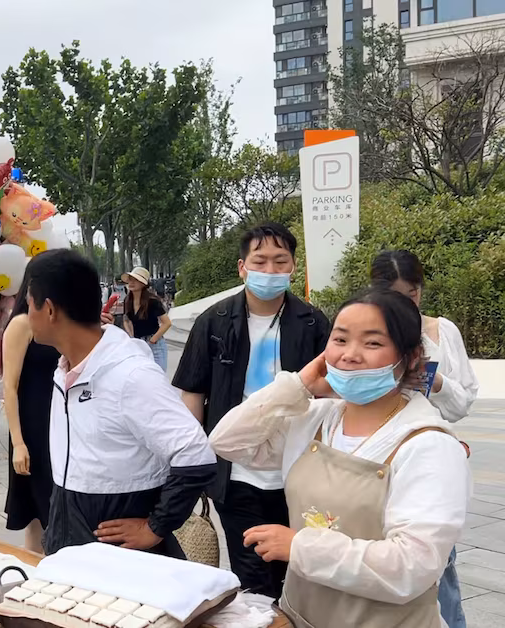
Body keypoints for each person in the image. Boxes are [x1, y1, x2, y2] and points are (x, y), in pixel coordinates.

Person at [209, 288, 469, 628]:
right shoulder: (316, 419)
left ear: (411, 356)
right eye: (340, 340)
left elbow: (412, 566)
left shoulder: (429, 444)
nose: (350, 355)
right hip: (301, 616)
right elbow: (227, 441)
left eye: (372, 343)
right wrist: (298, 385)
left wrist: (301, 548)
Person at [173, 222, 330, 599]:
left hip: (297, 473)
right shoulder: (213, 322)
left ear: (293, 267)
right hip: (236, 474)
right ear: (242, 267)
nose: (270, 270)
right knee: (254, 580)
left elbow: (331, 395)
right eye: (260, 261)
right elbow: (193, 393)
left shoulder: (313, 323)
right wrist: (197, 463)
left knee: (299, 575)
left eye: (281, 261)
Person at [25, 249, 216, 557]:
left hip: (121, 555)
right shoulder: (66, 368)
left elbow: (196, 455)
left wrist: (155, 527)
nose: (26, 316)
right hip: (71, 533)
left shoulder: (130, 376)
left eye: (28, 305)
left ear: (49, 310)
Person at [371, 249, 479, 628]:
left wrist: (436, 381)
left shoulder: (441, 331)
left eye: (413, 293)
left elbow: (463, 401)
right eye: (397, 295)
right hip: (380, 464)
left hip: (433, 462)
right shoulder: (369, 334)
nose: (407, 302)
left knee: (439, 564)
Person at [1, 264, 61, 553]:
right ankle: (36, 571)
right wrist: (18, 443)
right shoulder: (22, 324)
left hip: (58, 422)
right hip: (32, 429)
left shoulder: (56, 322)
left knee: (49, 510)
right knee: (36, 513)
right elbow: (9, 387)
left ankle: (42, 570)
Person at [121, 266, 172, 371]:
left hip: (155, 345)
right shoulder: (127, 300)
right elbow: (126, 320)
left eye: (136, 280)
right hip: (138, 345)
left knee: (158, 376)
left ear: (143, 283)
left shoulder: (152, 301)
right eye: (130, 279)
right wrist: (131, 337)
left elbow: (167, 323)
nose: (131, 283)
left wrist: (153, 340)